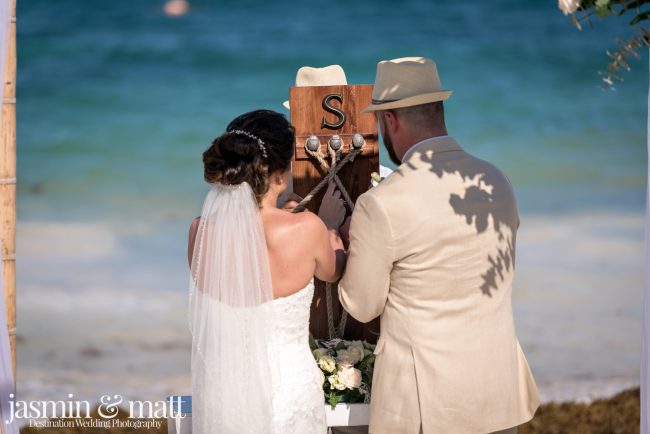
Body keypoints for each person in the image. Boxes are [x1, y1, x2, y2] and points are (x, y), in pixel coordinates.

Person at [338, 57, 540, 434]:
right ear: (439, 110)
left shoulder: (382, 203)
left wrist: (350, 244)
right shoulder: (496, 180)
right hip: (497, 389)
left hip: (423, 406)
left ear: (390, 121)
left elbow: (362, 306)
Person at [187, 109, 346, 433]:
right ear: (280, 171)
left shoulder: (198, 232)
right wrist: (330, 229)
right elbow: (334, 271)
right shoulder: (307, 229)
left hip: (224, 392)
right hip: (287, 393)